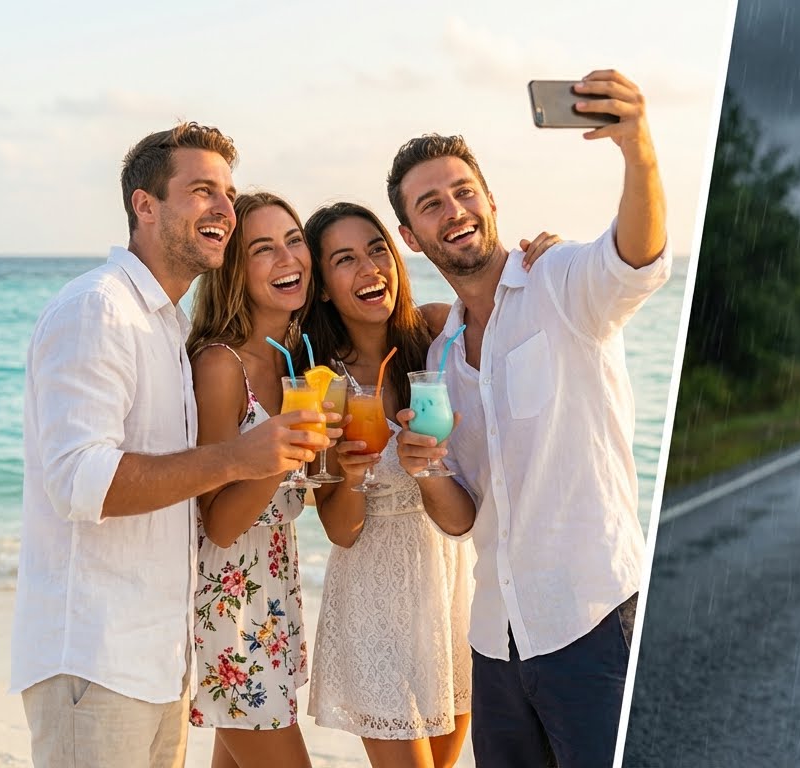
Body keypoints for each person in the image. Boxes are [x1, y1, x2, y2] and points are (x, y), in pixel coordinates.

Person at [12, 124, 329, 768]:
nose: (223, 209)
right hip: (95, 662)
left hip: (159, 660)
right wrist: (243, 459)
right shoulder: (99, 309)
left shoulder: (166, 326)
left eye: (228, 195)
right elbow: (81, 481)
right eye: (201, 191)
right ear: (145, 205)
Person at [389, 68, 669, 767]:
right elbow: (462, 517)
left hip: (595, 618)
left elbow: (635, 259)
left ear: (488, 200)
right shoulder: (443, 357)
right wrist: (422, 470)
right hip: (496, 644)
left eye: (462, 192)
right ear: (411, 237)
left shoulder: (559, 282)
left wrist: (638, 151)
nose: (452, 209)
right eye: (430, 204)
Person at [302, 200, 559, 768]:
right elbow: (341, 531)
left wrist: (544, 260)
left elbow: (517, 313)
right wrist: (350, 477)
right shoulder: (325, 382)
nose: (370, 268)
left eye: (376, 250)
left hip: (452, 596)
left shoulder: (439, 334)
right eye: (344, 259)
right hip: (372, 603)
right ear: (322, 286)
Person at [185, 191, 322, 766]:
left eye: (294, 240)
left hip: (271, 597)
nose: (287, 257)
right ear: (236, 271)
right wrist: (284, 457)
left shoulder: (294, 360)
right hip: (229, 613)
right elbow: (216, 524)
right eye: (263, 249)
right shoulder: (222, 366)